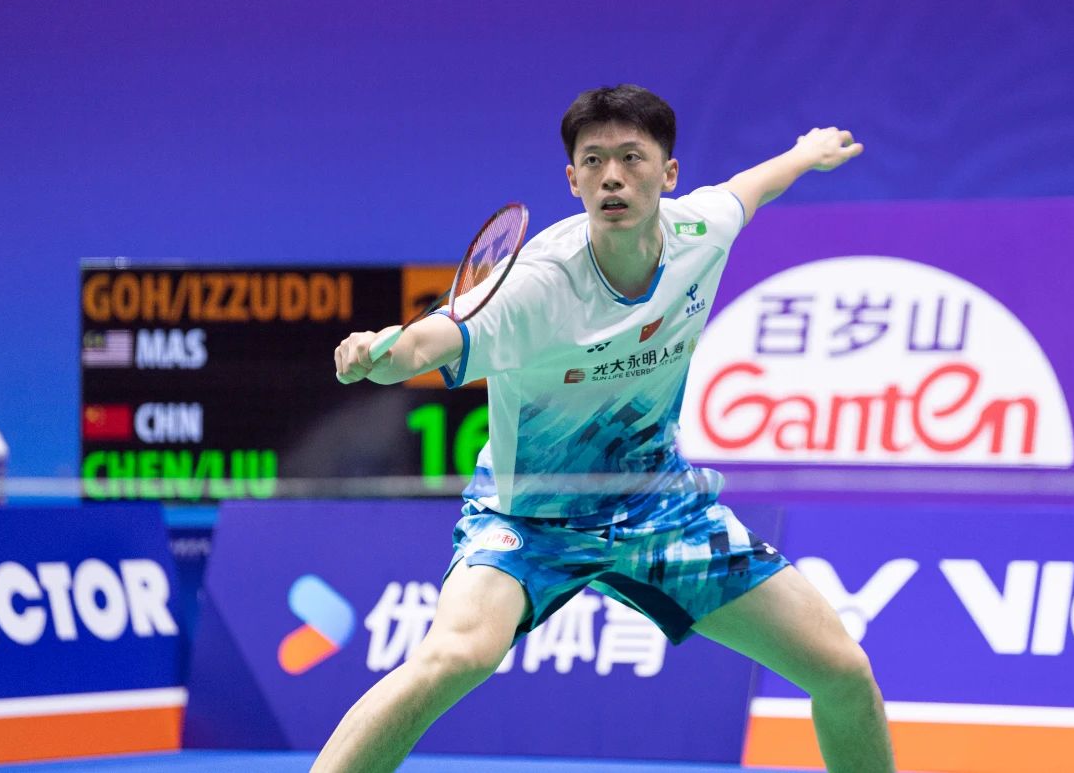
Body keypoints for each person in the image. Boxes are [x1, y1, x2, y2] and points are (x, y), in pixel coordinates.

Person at [322, 85, 895, 772]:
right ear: (573, 180)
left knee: (844, 670)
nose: (612, 176)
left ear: (668, 173)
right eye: (593, 161)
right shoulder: (535, 284)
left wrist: (805, 152)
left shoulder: (700, 232)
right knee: (454, 656)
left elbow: (751, 187)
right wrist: (375, 352)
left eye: (631, 157)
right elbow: (424, 344)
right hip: (531, 519)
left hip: (658, 505)